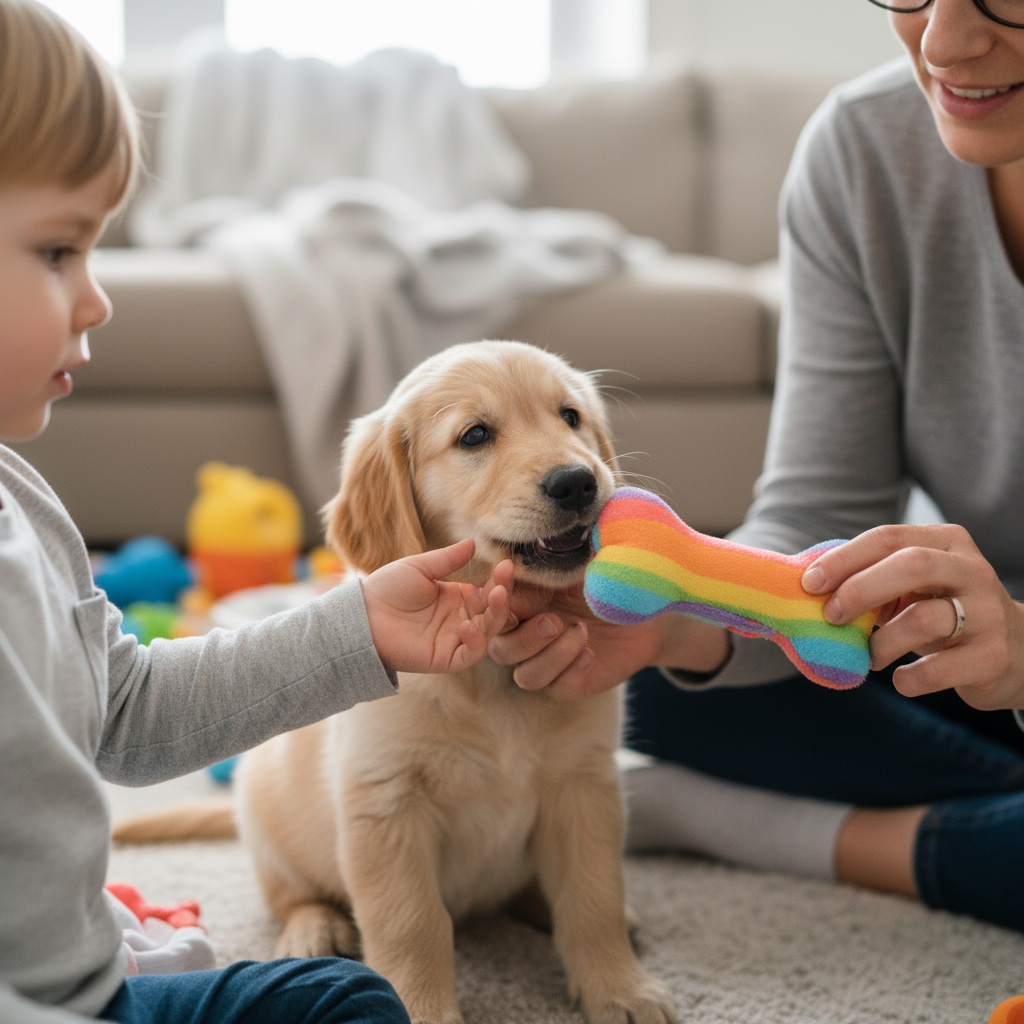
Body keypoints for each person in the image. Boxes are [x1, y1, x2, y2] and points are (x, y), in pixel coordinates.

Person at [0, 3, 513, 1021]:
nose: (97, 299)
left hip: (84, 981)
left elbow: (130, 716)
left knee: (347, 1000)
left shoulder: (23, 499)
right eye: (58, 251)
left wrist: (357, 628)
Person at [490, 0, 1024, 935]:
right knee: (652, 677)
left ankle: (752, 825)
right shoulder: (866, 149)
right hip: (969, 662)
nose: (942, 41)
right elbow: (819, 512)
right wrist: (681, 614)